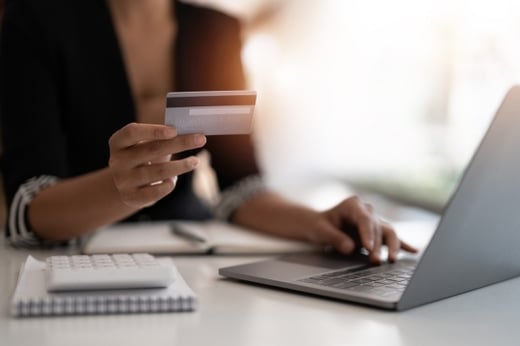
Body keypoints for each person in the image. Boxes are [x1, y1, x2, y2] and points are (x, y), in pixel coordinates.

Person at [0, 0, 417, 263]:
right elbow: (30, 208)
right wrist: (118, 187)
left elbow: (240, 187)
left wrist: (318, 221)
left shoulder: (215, 31)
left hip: (189, 253)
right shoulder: (34, 21)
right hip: (75, 261)